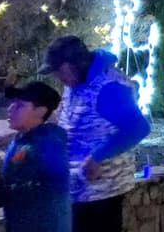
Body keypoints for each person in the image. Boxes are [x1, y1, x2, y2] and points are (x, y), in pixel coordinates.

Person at [41, 35, 150, 232]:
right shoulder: (75, 83)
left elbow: (139, 127)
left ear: (70, 64)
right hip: (79, 189)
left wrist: (97, 156)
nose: (57, 77)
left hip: (102, 191)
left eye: (58, 70)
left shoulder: (109, 88)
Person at [1, 81, 70, 232]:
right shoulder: (21, 139)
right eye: (12, 103)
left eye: (20, 106)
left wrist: (3, 191)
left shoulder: (49, 144)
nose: (10, 108)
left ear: (40, 111)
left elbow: (53, 185)